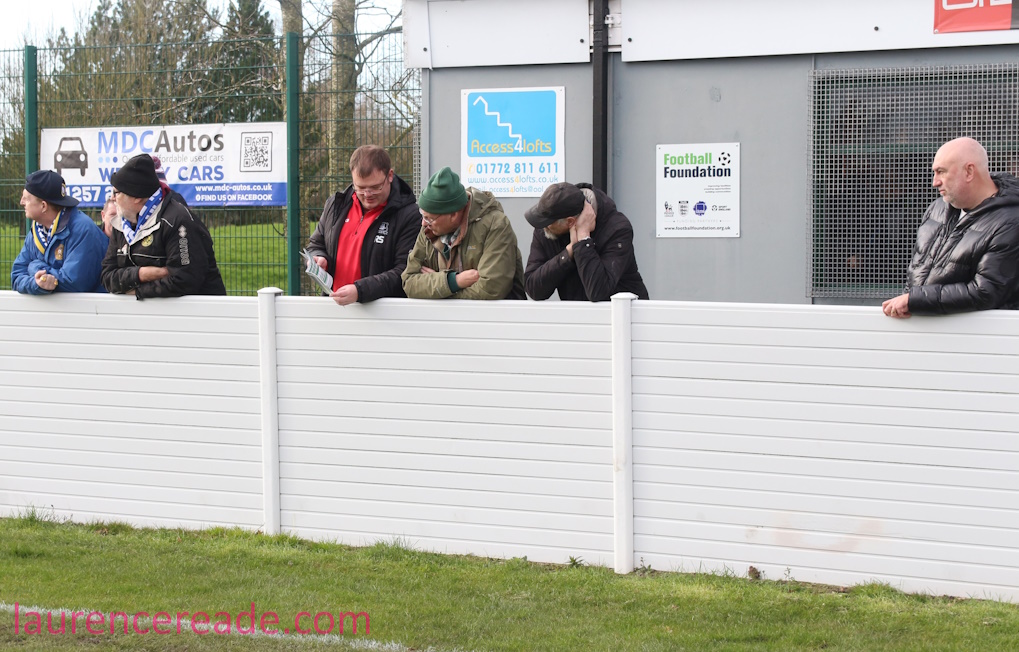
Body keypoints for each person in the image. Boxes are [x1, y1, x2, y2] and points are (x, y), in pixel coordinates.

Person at [882, 137, 1019, 318]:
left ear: (969, 171)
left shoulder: (1010, 221)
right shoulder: (937, 208)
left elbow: (986, 291)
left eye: (941, 172)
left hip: (978, 332)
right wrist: (911, 301)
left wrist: (915, 300)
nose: (935, 182)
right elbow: (917, 269)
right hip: (924, 324)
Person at [306, 145, 420, 305]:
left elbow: (404, 272)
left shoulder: (409, 215)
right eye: (360, 187)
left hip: (382, 311)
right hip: (334, 306)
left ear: (390, 176)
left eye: (375, 187)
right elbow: (316, 244)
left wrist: (360, 291)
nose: (367, 195)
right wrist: (319, 258)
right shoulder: (335, 205)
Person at [101, 153, 226, 298]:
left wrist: (136, 291)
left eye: (116, 193)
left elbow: (184, 280)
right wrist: (141, 274)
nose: (112, 198)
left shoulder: (177, 221)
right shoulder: (120, 223)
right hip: (145, 311)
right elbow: (107, 276)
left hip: (197, 311)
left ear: (136, 197)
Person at [401, 167, 525, 300]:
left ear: (454, 215)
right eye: (423, 216)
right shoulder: (429, 229)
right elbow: (409, 282)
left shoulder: (495, 225)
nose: (423, 224)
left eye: (429, 218)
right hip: (445, 314)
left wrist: (436, 290)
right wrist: (454, 281)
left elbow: (490, 289)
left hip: (492, 313)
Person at [523, 182, 649, 301]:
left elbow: (598, 291)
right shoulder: (547, 230)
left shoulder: (617, 229)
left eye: (548, 223)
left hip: (626, 312)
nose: (544, 227)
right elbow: (533, 289)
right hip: (579, 313)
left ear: (570, 222)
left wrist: (583, 239)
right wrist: (568, 253)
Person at [11, 170, 108, 294]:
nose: (21, 202)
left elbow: (74, 283)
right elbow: (16, 277)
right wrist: (36, 284)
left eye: (26, 199)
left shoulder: (83, 230)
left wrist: (34, 267)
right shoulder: (36, 230)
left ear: (43, 206)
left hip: (92, 306)